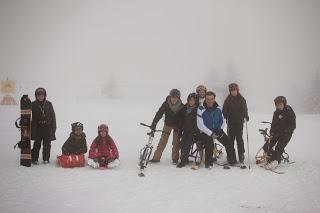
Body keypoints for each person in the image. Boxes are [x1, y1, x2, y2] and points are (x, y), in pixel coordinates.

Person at [197, 91, 236, 168]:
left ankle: (232, 160)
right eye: (208, 99)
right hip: (205, 132)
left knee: (228, 141)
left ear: (214, 99)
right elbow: (200, 125)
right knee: (209, 143)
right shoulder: (201, 108)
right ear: (205, 99)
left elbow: (222, 120)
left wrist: (220, 129)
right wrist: (211, 134)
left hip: (217, 130)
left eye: (212, 99)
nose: (210, 101)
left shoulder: (218, 108)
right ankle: (208, 163)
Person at [149, 89, 184, 164]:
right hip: (167, 124)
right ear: (170, 96)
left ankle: (175, 159)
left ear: (178, 98)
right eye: (173, 97)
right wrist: (154, 123)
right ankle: (156, 158)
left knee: (176, 142)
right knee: (162, 141)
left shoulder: (182, 106)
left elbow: (183, 118)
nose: (174, 98)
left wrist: (180, 128)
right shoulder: (166, 104)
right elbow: (159, 113)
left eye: (176, 97)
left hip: (177, 126)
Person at [264, 96, 296, 170]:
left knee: (279, 147)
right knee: (267, 146)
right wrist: (271, 132)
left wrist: (286, 131)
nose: (280, 106)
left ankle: (276, 161)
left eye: (281, 104)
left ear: (284, 104)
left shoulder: (289, 111)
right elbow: (273, 124)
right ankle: (271, 159)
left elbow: (293, 125)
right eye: (278, 105)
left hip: (286, 134)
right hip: (277, 133)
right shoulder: (276, 113)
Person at [222, 83, 249, 165]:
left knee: (239, 139)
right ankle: (231, 156)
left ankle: (241, 155)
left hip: (239, 122)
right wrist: (225, 114)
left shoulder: (241, 99)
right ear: (230, 91)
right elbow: (224, 110)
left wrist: (246, 116)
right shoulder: (227, 100)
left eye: (234, 90)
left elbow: (245, 109)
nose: (233, 92)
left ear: (237, 90)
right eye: (231, 91)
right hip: (230, 123)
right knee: (230, 139)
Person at [31, 88, 56, 164]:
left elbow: (53, 116)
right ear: (36, 96)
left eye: (42, 95)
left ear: (45, 95)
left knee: (47, 145)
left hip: (47, 128)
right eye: (39, 95)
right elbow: (26, 115)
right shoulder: (33, 104)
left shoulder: (49, 104)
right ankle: (34, 159)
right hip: (37, 128)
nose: (40, 97)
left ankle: (46, 159)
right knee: (37, 144)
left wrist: (53, 128)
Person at [177, 93, 200, 168]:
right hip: (185, 131)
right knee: (182, 144)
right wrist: (180, 131)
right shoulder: (185, 108)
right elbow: (181, 121)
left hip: (192, 132)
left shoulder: (198, 109)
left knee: (187, 145)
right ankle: (185, 159)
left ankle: (183, 161)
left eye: (193, 100)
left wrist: (196, 133)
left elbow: (198, 123)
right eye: (190, 100)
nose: (191, 102)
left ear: (196, 101)